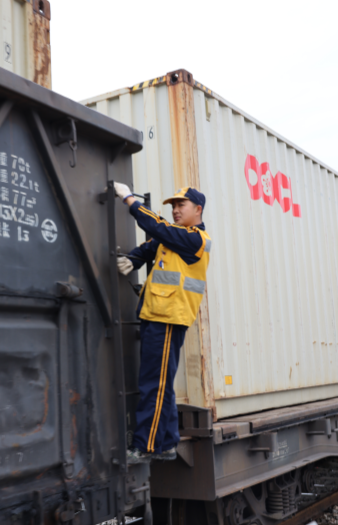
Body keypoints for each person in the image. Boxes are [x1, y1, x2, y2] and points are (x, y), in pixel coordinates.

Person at [113, 183, 212, 464]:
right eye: (173, 206)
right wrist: (134, 259)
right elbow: (152, 245)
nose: (175, 210)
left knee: (153, 384)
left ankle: (147, 446)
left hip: (169, 318)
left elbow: (158, 228)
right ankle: (167, 443)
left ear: (198, 209)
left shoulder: (195, 239)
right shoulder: (175, 238)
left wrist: (129, 199)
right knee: (161, 384)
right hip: (157, 315)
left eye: (181, 205)